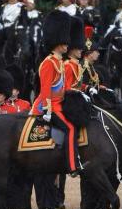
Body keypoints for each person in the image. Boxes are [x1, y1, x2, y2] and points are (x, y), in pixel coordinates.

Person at [31, 10, 83, 177]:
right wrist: (47, 110)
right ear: (57, 41)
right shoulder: (49, 63)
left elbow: (64, 87)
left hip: (59, 104)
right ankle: (72, 166)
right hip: (49, 106)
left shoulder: (59, 62)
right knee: (69, 129)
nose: (68, 44)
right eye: (65, 41)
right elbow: (45, 88)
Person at [64, 16, 86, 92]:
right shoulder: (68, 66)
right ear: (71, 49)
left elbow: (77, 85)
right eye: (78, 48)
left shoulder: (76, 64)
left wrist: (88, 88)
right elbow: (67, 89)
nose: (81, 50)